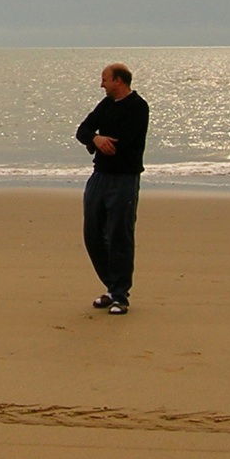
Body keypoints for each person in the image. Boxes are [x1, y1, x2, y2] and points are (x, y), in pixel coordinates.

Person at [75, 62, 149, 315]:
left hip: (124, 179)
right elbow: (83, 130)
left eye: (105, 79)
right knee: (93, 233)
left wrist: (99, 140)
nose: (101, 84)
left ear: (119, 80)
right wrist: (95, 139)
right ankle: (111, 286)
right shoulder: (105, 105)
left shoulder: (138, 107)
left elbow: (123, 141)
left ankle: (120, 295)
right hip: (99, 177)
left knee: (119, 234)